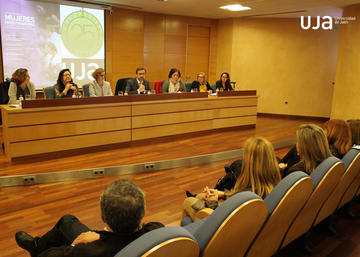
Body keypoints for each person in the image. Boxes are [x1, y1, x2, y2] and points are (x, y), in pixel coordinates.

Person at [14, 179, 164, 257]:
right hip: (114, 242)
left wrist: (75, 245)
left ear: (103, 217)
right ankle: (36, 244)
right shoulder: (158, 232)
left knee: (65, 224)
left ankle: (36, 247)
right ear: (143, 211)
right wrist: (100, 237)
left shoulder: (87, 252)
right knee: (67, 222)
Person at [183, 137, 281, 221]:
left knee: (188, 201)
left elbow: (222, 221)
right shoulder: (272, 186)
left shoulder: (246, 196)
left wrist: (212, 202)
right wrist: (223, 194)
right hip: (240, 222)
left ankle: (187, 236)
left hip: (221, 227)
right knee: (201, 196)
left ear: (250, 164)